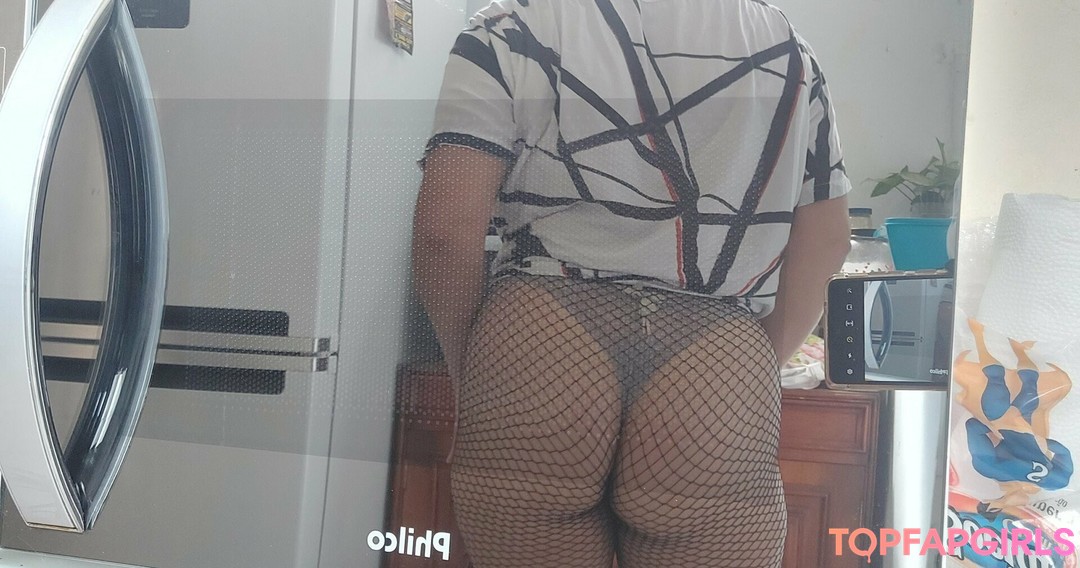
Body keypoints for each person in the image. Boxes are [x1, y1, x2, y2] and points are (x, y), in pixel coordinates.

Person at [411, 1, 852, 566]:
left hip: (540, 344)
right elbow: (828, 241)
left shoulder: (511, 23)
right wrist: (754, 367)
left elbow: (444, 230)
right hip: (715, 362)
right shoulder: (789, 51)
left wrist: (472, 372)